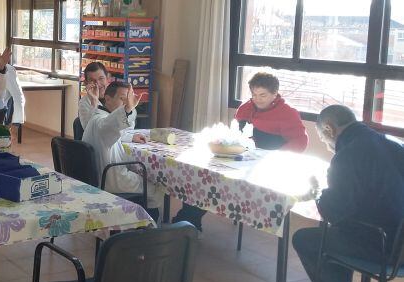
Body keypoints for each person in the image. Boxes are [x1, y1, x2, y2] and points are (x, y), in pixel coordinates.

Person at [292, 105, 404, 282]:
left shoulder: (348, 155)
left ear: (329, 129)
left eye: (325, 142)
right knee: (339, 232)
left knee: (306, 239)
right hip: (400, 242)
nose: (328, 147)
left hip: (383, 245)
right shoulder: (393, 144)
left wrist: (318, 193)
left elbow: (334, 211)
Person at [172, 72, 309, 230]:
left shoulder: (287, 113)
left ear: (275, 94)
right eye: (254, 94)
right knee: (201, 175)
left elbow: (301, 141)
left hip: (267, 166)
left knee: (215, 183)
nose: (257, 99)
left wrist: (276, 156)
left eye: (263, 95)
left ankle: (185, 223)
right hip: (240, 159)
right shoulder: (246, 107)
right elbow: (235, 135)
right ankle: (189, 221)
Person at [81, 81, 162, 220]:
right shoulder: (102, 121)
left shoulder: (97, 117)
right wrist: (128, 108)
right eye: (122, 98)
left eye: (128, 98)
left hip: (99, 176)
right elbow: (110, 125)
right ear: (107, 99)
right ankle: (148, 228)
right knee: (156, 188)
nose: (125, 102)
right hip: (111, 179)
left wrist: (128, 110)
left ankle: (138, 220)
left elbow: (118, 129)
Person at [78, 62, 136, 130]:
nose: (98, 84)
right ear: (86, 83)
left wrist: (130, 136)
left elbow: (130, 124)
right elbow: (90, 130)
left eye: (101, 78)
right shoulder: (84, 102)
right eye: (92, 81)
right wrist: (94, 101)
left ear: (108, 78)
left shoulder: (119, 94)